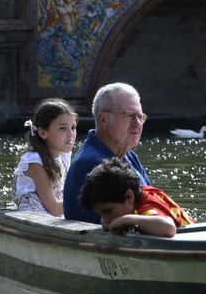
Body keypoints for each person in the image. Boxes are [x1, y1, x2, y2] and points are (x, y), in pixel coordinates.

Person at [62, 81, 150, 222]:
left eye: (140, 116)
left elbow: (152, 201)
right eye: (128, 115)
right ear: (103, 119)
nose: (137, 123)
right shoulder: (94, 164)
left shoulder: (128, 155)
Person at [80, 157, 192, 237]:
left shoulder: (148, 207)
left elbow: (168, 228)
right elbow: (106, 222)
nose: (106, 219)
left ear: (129, 197)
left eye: (108, 211)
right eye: (101, 214)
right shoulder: (137, 196)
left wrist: (126, 220)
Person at [11, 98, 78, 216]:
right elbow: (55, 209)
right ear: (43, 133)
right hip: (34, 220)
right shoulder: (35, 162)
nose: (71, 134)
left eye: (73, 127)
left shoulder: (63, 155)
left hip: (53, 216)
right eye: (62, 128)